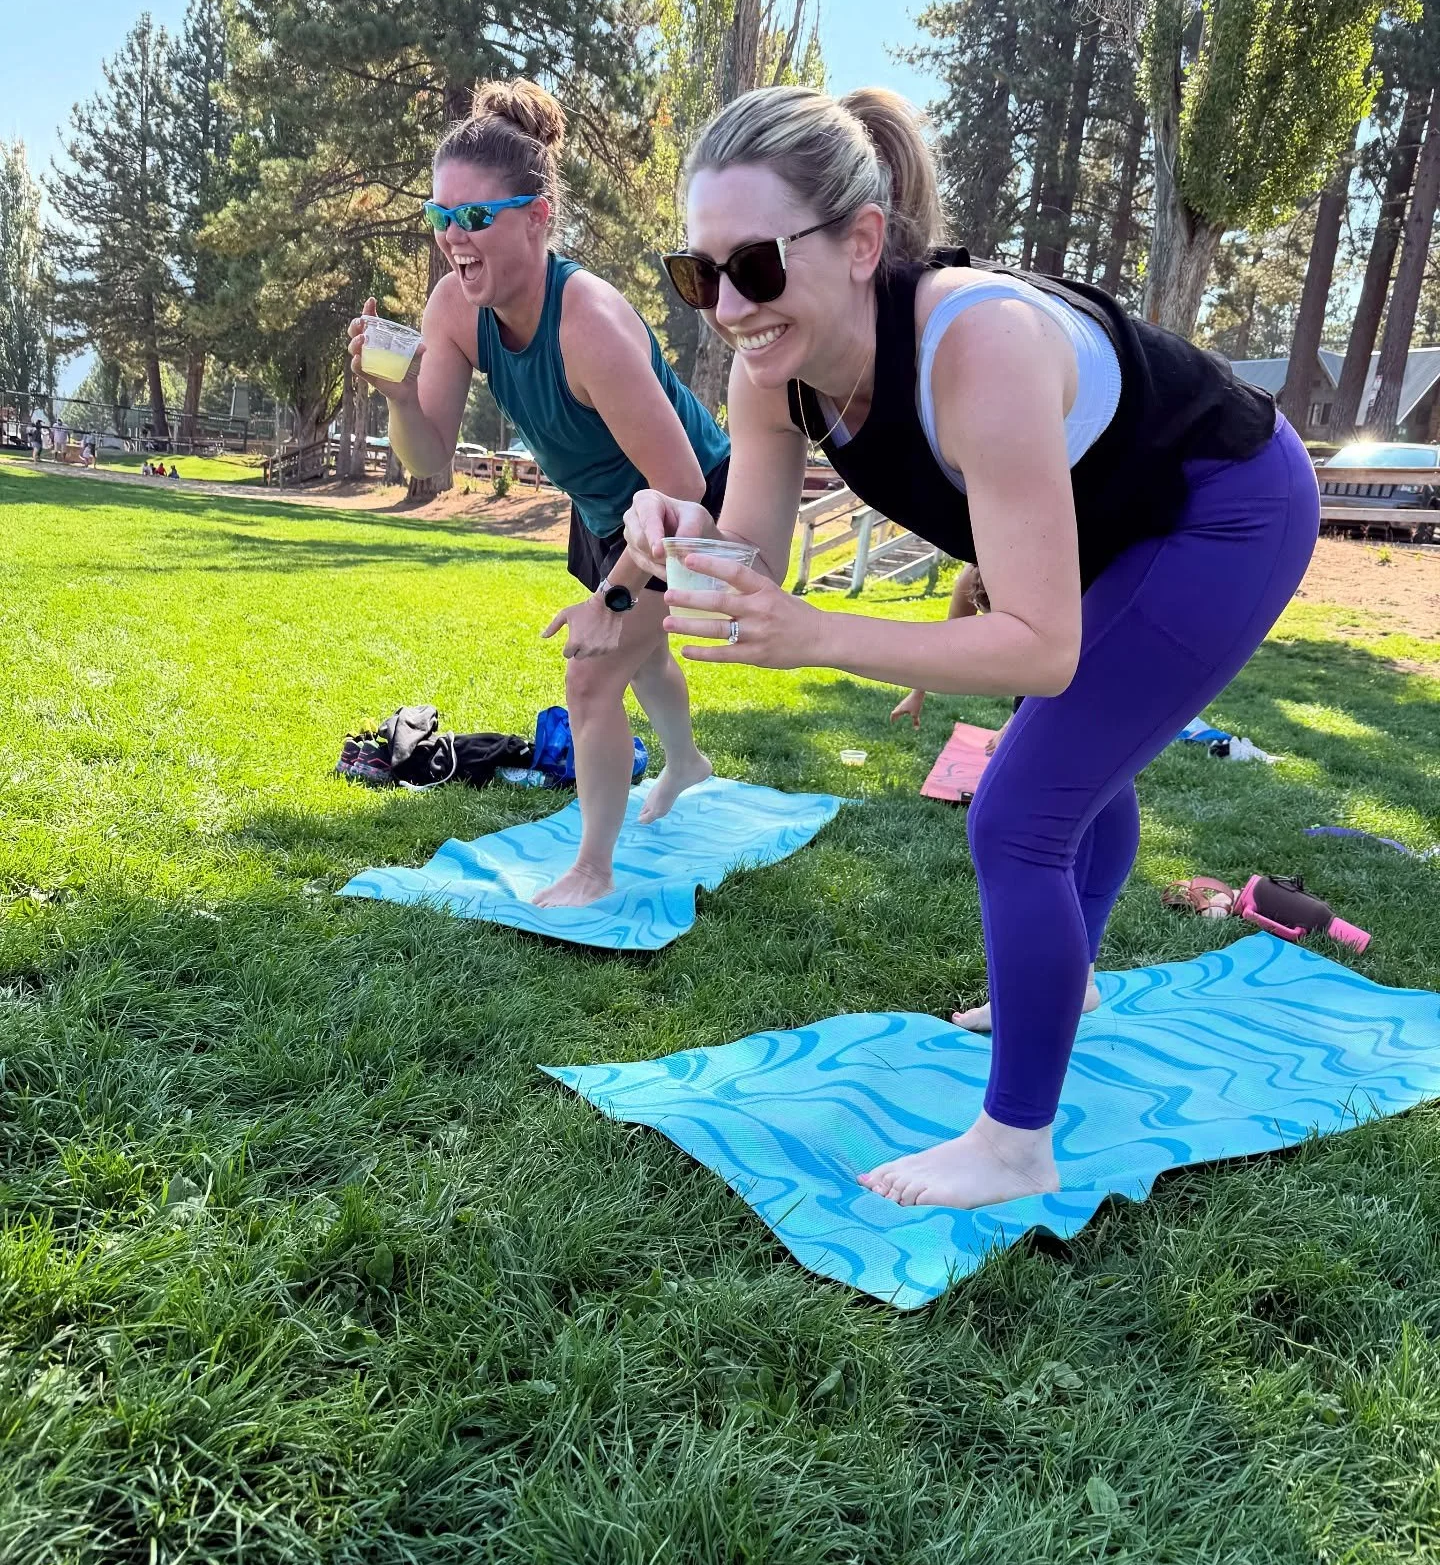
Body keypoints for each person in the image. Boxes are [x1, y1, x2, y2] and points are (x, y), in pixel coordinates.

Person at [625, 83, 1319, 1211]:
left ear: (860, 243)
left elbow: (1042, 650)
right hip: (1123, 522)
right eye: (698, 275)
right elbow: (754, 549)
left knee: (1020, 809)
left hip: (1227, 509)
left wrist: (820, 640)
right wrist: (685, 532)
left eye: (753, 266)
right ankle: (1068, 984)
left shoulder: (977, 343)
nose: (728, 308)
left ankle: (1013, 1146)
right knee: (1067, 770)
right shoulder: (773, 371)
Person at [349, 79, 729, 909]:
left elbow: (683, 484)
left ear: (538, 216)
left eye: (477, 217)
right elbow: (431, 458)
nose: (455, 238)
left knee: (593, 674)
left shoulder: (585, 319)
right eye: (440, 217)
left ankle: (594, 868)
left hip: (690, 499)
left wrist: (615, 599)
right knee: (644, 655)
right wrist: (396, 396)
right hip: (607, 510)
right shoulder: (454, 307)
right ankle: (687, 760)